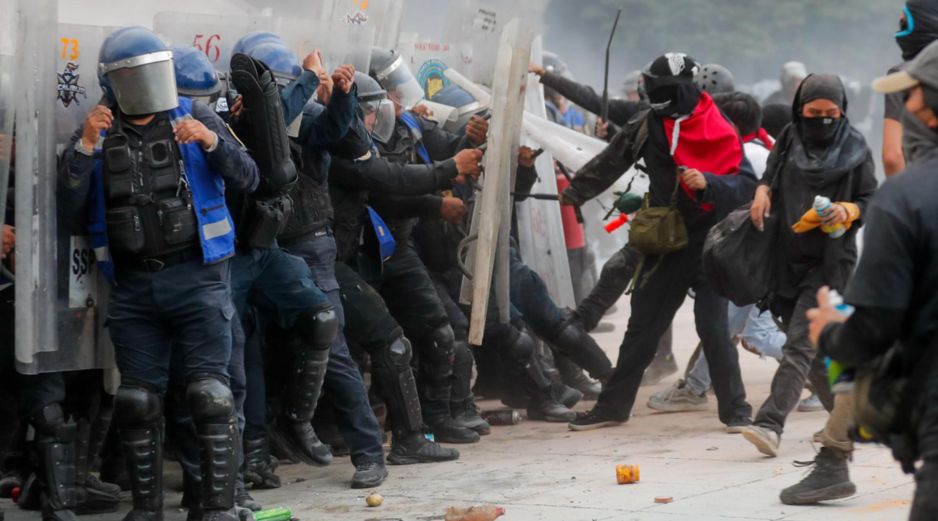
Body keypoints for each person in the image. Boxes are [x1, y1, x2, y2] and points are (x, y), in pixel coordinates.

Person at [59, 26, 259, 521]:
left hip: (197, 275)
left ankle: (215, 507)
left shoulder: (195, 114)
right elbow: (68, 211)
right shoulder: (98, 132)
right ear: (113, 80)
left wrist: (212, 140)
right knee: (136, 400)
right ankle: (146, 511)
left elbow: (250, 178)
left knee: (210, 395)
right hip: (132, 285)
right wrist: (85, 149)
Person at [560, 52, 755, 432]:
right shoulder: (648, 122)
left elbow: (744, 184)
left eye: (660, 88)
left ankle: (737, 412)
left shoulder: (720, 125)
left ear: (684, 91)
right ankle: (613, 406)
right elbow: (612, 160)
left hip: (713, 243)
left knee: (713, 328)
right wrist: (574, 194)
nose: (651, 93)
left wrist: (709, 183)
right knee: (642, 328)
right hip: (667, 243)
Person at [805, 45, 938, 519]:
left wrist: (831, 333)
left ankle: (833, 457)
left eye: (915, 97)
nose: (909, 110)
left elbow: (875, 327)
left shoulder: (907, 199)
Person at [326, 72, 479, 463]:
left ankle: (427, 424)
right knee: (374, 345)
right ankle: (372, 436)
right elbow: (388, 178)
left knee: (429, 334)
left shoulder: (371, 140)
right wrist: (447, 172)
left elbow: (386, 195)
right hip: (336, 260)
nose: (376, 120)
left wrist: (434, 198)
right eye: (368, 112)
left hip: (382, 250)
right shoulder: (339, 143)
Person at [741, 74, 877, 503]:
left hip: (830, 262)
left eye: (829, 115)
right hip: (786, 257)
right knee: (814, 353)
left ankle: (770, 422)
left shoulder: (856, 149)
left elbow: (873, 201)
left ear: (842, 113)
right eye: (812, 114)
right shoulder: (788, 136)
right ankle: (844, 427)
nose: (820, 122)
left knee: (799, 343)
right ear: (800, 110)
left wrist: (848, 208)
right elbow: (771, 173)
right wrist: (763, 192)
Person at [529, 56, 677, 388]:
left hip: (680, 222)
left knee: (713, 310)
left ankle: (576, 334)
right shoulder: (644, 116)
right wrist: (611, 131)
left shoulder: (690, 121)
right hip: (656, 220)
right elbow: (595, 102)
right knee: (647, 289)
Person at [367, 46, 487, 443]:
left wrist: (468, 139)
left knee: (439, 331)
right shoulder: (360, 135)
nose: (401, 98)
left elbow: (448, 147)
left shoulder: (412, 125)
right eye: (392, 91)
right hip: (364, 250)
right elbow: (387, 188)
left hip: (401, 247)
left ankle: (438, 417)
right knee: (375, 345)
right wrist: (436, 203)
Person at [648, 91, 787, 413]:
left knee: (756, 334)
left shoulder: (746, 159)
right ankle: (695, 388)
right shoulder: (760, 151)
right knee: (727, 327)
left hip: (751, 259)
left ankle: (831, 368)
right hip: (755, 257)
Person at [883, 0, 938, 176]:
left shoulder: (902, 77)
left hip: (919, 188)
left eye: (903, 22)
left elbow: (892, 156)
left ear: (923, 23)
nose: (899, 30)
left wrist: (899, 197)